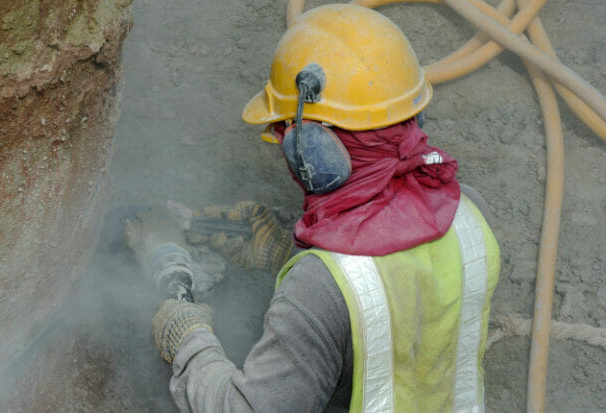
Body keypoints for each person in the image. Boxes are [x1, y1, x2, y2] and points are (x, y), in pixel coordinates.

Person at [151, 4, 500, 412]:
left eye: (286, 135)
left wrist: (190, 343)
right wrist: (285, 252)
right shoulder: (471, 213)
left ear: (312, 151)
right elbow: (405, 301)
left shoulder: (316, 291)